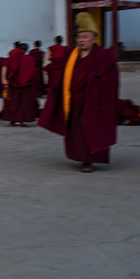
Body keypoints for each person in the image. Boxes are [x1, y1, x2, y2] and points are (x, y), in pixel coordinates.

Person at [38, 15, 119, 172]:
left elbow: (111, 81)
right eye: (79, 37)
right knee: (76, 132)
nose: (81, 40)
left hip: (94, 102)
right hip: (73, 100)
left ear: (94, 39)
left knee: (90, 130)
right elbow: (61, 77)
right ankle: (81, 157)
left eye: (85, 37)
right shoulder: (71, 55)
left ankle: (88, 161)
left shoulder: (104, 56)